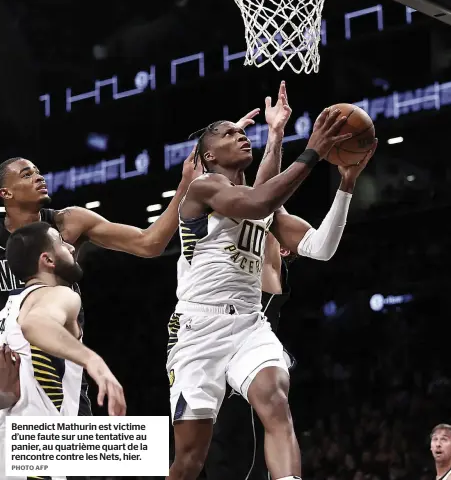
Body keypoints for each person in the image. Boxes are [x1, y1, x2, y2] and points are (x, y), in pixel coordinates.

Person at [0, 106, 261, 418]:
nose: (39, 177)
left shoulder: (69, 223)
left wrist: (185, 184)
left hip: (60, 365)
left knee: (71, 462)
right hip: (8, 364)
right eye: (27, 174)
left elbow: (149, 244)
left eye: (38, 171)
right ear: (5, 193)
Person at [168, 103, 376, 480]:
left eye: (242, 131)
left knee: (276, 401)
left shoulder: (264, 209)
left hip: (250, 324)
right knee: (189, 459)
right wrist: (311, 150)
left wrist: (346, 183)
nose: (241, 135)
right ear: (209, 154)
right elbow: (257, 199)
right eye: (228, 133)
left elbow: (321, 248)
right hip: (199, 329)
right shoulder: (204, 189)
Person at [0, 221, 126, 479]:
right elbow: (34, 324)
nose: (70, 246)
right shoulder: (61, 294)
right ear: (47, 260)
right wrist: (94, 362)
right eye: (61, 243)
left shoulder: (6, 311)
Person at [203, 233, 296, 480]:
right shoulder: (211, 294)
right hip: (214, 414)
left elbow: (266, 216)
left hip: (247, 408)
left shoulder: (264, 288)